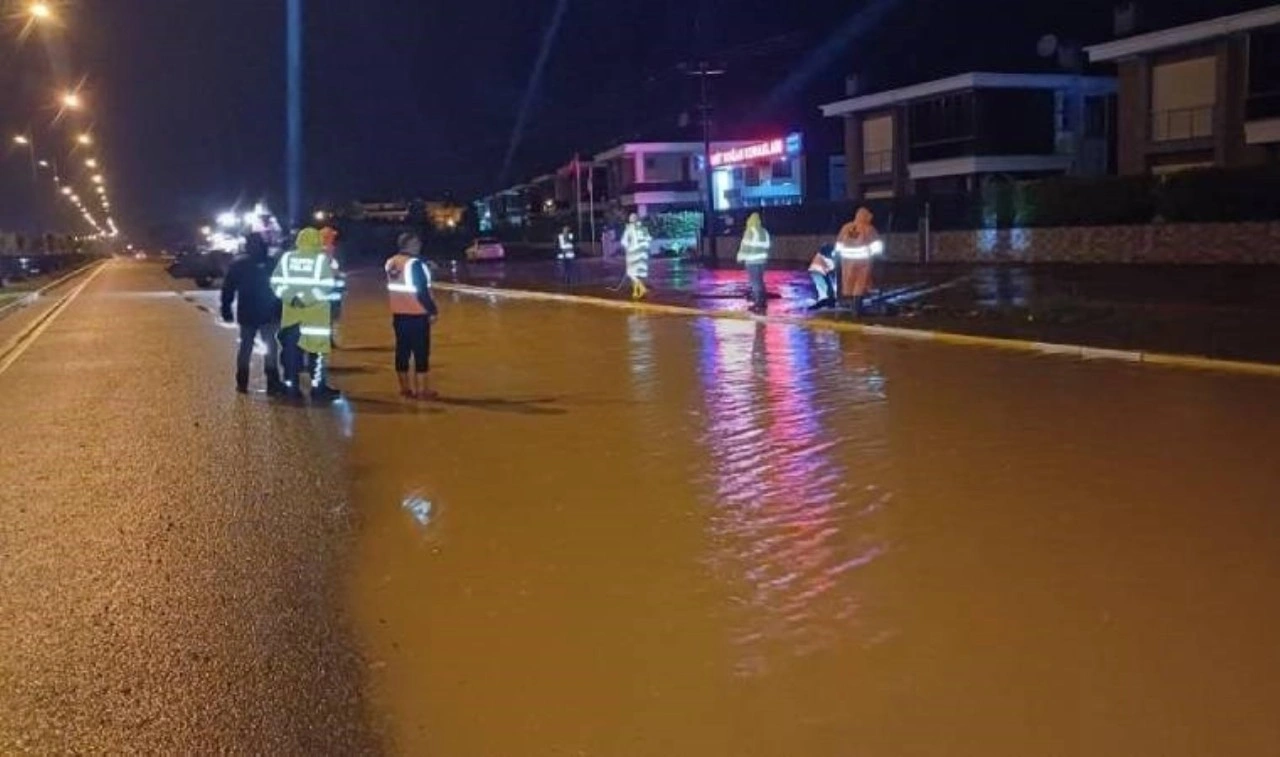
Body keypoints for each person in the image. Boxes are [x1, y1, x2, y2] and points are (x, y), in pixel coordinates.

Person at [271, 227, 342, 400]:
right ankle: (318, 390)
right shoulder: (321, 260)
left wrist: (291, 298)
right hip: (315, 318)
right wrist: (307, 299)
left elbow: (275, 282)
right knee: (316, 357)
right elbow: (326, 285)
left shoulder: (286, 258)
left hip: (292, 317)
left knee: (291, 356)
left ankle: (292, 388)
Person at [220, 233, 283, 395]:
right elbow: (280, 288)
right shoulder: (271, 263)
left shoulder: (239, 264)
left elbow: (228, 289)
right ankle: (273, 382)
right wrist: (281, 309)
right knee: (270, 347)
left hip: (247, 312)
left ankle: (242, 382)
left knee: (246, 347)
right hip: (268, 312)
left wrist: (226, 308)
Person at [385, 232, 439, 400]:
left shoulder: (390, 262)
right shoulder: (415, 264)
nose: (419, 246)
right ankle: (422, 391)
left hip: (399, 314)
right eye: (416, 243)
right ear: (409, 245)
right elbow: (422, 291)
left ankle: (405, 389)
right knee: (421, 353)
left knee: (402, 351)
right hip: (417, 314)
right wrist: (433, 310)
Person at [834, 207, 884, 314]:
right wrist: (878, 255)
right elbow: (877, 247)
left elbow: (838, 245)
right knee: (860, 283)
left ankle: (853, 305)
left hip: (847, 261)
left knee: (850, 281)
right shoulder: (869, 229)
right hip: (863, 261)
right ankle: (857, 308)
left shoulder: (846, 227)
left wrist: (838, 256)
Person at [736, 212, 771, 312]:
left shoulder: (750, 231)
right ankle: (763, 302)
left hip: (752, 261)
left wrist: (740, 257)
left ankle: (758, 304)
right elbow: (768, 246)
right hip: (762, 261)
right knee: (760, 281)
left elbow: (745, 246)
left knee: (755, 282)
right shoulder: (764, 232)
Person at [621, 213, 651, 300]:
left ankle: (642, 288)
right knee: (638, 274)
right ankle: (635, 292)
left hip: (633, 253)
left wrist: (628, 248)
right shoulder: (643, 228)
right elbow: (648, 240)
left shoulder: (629, 229)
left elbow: (624, 241)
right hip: (643, 255)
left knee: (631, 273)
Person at [808, 243, 838, 308]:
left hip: (814, 271)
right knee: (826, 291)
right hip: (820, 272)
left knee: (822, 290)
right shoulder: (829, 258)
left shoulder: (820, 256)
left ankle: (822, 301)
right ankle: (827, 302)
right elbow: (831, 272)